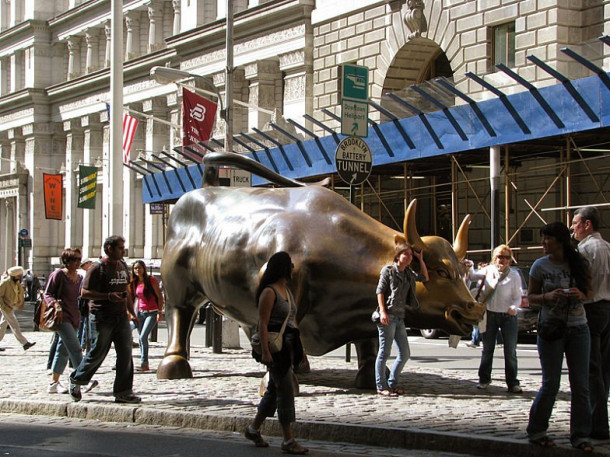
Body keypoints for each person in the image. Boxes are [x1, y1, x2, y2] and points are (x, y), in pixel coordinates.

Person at [526, 222, 594, 452]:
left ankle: (581, 436)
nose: (544, 243)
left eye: (548, 239)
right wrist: (548, 296)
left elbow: (590, 293)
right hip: (551, 329)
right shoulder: (539, 266)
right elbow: (531, 297)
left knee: (581, 386)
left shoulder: (580, 263)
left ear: (560, 241)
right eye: (543, 238)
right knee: (551, 383)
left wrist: (579, 294)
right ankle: (537, 430)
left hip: (578, 328)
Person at [244, 252, 307, 455]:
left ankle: (253, 429)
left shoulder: (286, 291)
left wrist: (302, 350)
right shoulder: (269, 292)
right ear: (282, 267)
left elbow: (292, 321)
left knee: (273, 390)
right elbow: (262, 323)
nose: (293, 268)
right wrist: (265, 352)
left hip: (287, 347)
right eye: (290, 264)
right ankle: (288, 440)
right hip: (274, 348)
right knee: (286, 390)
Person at [69, 235, 141, 404]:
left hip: (120, 316)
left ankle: (123, 391)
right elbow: (84, 293)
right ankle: (77, 379)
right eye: (120, 248)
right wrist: (108, 296)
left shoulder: (123, 266)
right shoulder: (97, 268)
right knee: (98, 352)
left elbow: (127, 292)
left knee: (125, 353)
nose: (123, 251)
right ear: (109, 248)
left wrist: (132, 312)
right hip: (101, 316)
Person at [571, 206, 610, 440]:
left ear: (587, 224)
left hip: (591, 310)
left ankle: (598, 424)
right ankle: (600, 421)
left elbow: (582, 285)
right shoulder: (608, 247)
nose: (572, 227)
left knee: (592, 369)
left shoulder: (584, 250)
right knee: (604, 369)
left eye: (575, 223)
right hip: (607, 308)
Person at [374, 242, 428, 397]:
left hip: (400, 317)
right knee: (384, 353)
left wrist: (421, 259)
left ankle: (392, 384)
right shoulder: (389, 271)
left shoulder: (408, 273)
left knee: (404, 354)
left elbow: (425, 277)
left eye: (411, 255)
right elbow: (380, 291)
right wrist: (383, 311)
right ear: (398, 256)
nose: (409, 258)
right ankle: (381, 386)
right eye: (407, 254)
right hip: (388, 315)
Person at [467, 245, 523, 393]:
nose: (503, 260)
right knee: (487, 349)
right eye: (500, 256)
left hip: (508, 316)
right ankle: (484, 379)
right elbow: (472, 276)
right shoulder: (488, 270)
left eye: (506, 257)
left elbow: (518, 297)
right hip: (490, 314)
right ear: (494, 257)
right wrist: (470, 266)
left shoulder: (514, 275)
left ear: (510, 259)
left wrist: (514, 307)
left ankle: (512, 382)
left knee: (510, 351)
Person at [44, 248, 97, 395]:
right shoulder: (59, 274)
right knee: (75, 348)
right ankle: (83, 379)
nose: (77, 263)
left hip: (75, 317)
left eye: (79, 259)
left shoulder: (79, 277)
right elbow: (47, 293)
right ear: (66, 261)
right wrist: (56, 305)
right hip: (61, 317)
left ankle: (54, 383)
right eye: (74, 259)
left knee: (63, 350)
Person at [129, 260, 164, 372]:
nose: (137, 270)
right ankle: (143, 362)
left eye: (139, 268)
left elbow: (159, 296)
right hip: (140, 313)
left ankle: (144, 363)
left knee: (143, 337)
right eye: (135, 268)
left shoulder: (151, 280)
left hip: (151, 312)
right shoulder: (134, 282)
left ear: (143, 268)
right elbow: (131, 297)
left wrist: (159, 312)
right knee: (141, 339)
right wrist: (130, 312)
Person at [0, 266, 36, 351]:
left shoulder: (16, 283)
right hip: (6, 307)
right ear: (15, 275)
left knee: (2, 326)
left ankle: (24, 343)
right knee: (15, 325)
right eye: (19, 275)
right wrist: (4, 306)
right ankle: (24, 343)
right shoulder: (5, 282)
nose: (20, 277)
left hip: (11, 307)